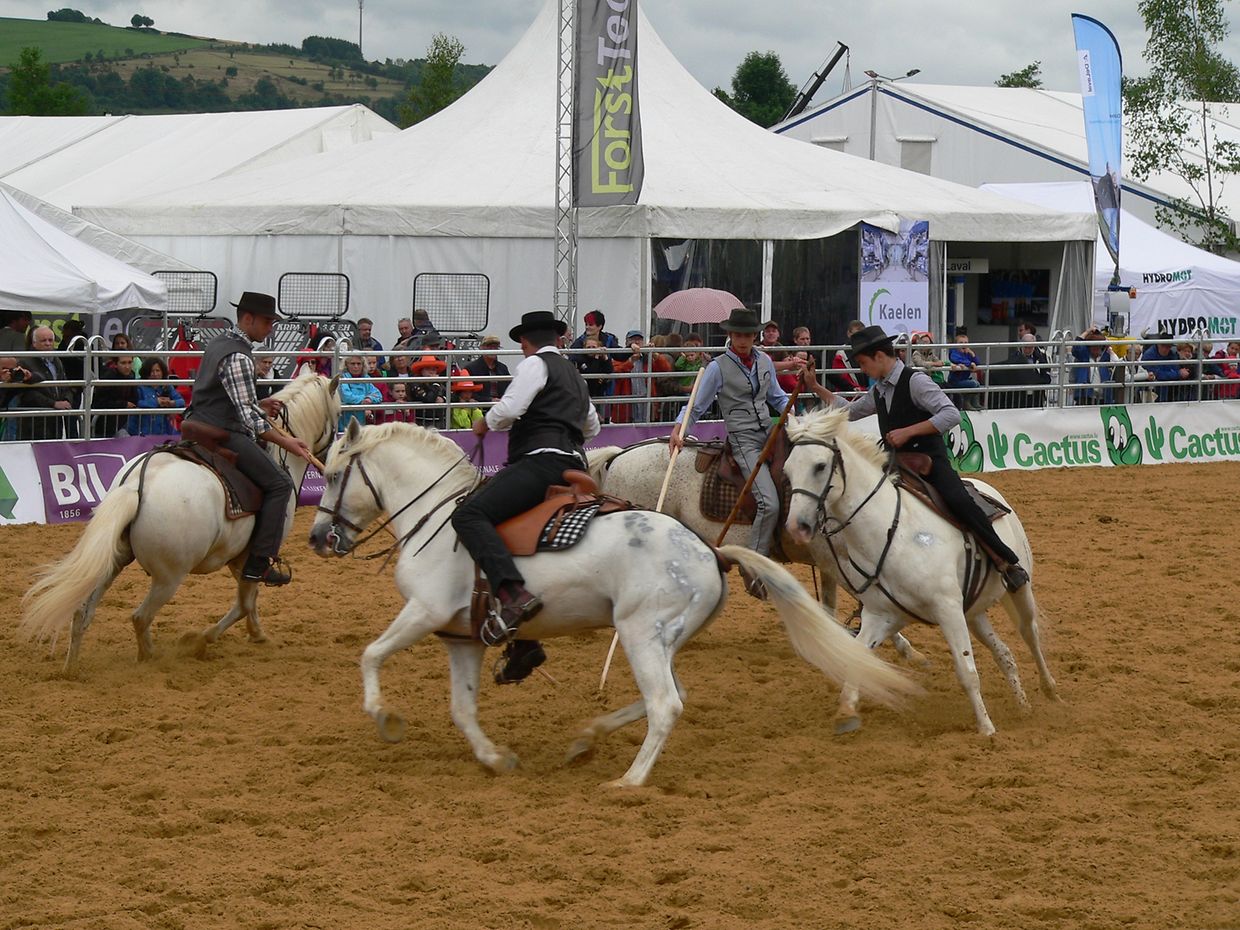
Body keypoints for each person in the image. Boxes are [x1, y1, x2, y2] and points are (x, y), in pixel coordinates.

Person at [801, 325, 1029, 591]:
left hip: (928, 460)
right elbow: (850, 412)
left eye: (863, 363)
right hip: (895, 462)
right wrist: (816, 387)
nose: (862, 369)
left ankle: (1005, 561)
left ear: (879, 357)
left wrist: (909, 431)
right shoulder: (880, 389)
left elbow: (950, 414)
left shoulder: (916, 381)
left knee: (958, 500)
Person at [451, 309, 601, 684]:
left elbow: (510, 410)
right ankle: (523, 643)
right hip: (575, 464)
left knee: (470, 515)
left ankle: (513, 594)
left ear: (524, 342)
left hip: (540, 462)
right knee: (515, 530)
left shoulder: (534, 365)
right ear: (558, 337)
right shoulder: (575, 376)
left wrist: (485, 422)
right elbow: (593, 427)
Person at [181, 291, 313, 587]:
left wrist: (261, 405)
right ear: (248, 318)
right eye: (267, 321)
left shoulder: (217, 343)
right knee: (280, 484)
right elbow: (251, 421)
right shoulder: (239, 356)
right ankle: (259, 562)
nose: (270, 328)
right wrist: (288, 443)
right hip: (223, 432)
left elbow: (227, 396)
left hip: (197, 424)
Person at [672, 308, 804, 597]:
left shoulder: (765, 360)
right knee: (769, 502)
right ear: (730, 335)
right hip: (743, 441)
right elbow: (697, 404)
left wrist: (797, 419)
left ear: (754, 336)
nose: (743, 340)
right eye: (738, 335)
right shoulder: (718, 367)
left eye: (747, 335)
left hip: (771, 434)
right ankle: (752, 567)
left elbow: (778, 397)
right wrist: (680, 428)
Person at [13, 326, 73, 440]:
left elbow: (64, 383)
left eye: (50, 340)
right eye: (43, 340)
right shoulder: (25, 361)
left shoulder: (56, 360)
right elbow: (26, 393)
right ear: (34, 343)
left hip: (55, 419)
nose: (48, 344)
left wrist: (67, 400)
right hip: (34, 421)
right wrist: (53, 403)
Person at [613, 330, 672, 424]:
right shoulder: (620, 357)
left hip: (646, 402)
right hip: (626, 405)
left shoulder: (648, 359)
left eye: (639, 340)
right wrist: (630, 362)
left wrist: (655, 354)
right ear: (626, 343)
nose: (636, 342)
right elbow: (615, 373)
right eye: (632, 339)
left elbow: (666, 369)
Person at [128, 357, 186, 435]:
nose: (155, 374)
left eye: (157, 370)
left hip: (164, 431)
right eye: (152, 371)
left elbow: (181, 401)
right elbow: (136, 403)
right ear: (146, 372)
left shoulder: (167, 386)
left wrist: (170, 403)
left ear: (162, 372)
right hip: (142, 432)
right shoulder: (139, 386)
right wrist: (156, 402)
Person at [92, 354, 139, 437]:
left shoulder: (131, 375)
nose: (127, 366)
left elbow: (134, 398)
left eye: (129, 362)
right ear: (116, 364)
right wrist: (124, 404)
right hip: (105, 426)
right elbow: (99, 403)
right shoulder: (108, 377)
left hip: (123, 423)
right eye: (123, 363)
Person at [1070, 334, 1119, 406]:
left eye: (1099, 347)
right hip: (1085, 396)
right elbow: (1076, 347)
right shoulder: (1084, 357)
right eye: (1093, 347)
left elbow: (1117, 362)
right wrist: (1087, 332)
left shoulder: (1105, 357)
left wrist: (1109, 349)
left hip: (1103, 397)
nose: (1096, 349)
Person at [339, 354, 383, 429]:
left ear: (363, 365)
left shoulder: (366, 378)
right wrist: (364, 399)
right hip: (345, 423)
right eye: (353, 364)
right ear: (346, 365)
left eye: (359, 364)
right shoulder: (342, 377)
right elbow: (347, 397)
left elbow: (378, 395)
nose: (356, 366)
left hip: (362, 423)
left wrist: (370, 399)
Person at [463, 334, 511, 402]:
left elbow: (510, 389)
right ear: (481, 348)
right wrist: (489, 400)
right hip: (480, 407)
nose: (493, 350)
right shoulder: (470, 368)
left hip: (501, 406)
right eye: (489, 347)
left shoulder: (503, 368)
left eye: (495, 347)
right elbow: (466, 393)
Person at [947, 328, 982, 411]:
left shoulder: (968, 353)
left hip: (964, 379)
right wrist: (969, 364)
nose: (963, 345)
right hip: (955, 381)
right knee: (974, 383)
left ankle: (975, 403)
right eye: (961, 343)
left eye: (966, 343)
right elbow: (956, 359)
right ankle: (966, 403)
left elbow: (977, 363)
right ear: (955, 345)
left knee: (977, 384)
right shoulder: (954, 352)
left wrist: (972, 354)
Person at [1139, 333, 1180, 402]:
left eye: (1168, 346)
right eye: (1163, 345)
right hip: (1150, 390)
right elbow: (1158, 375)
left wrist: (1172, 374)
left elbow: (1175, 369)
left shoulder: (1172, 354)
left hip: (1168, 390)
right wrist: (1176, 374)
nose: (1165, 349)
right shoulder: (1149, 355)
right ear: (1158, 344)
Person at [829, 320, 866, 392]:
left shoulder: (866, 351)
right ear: (849, 334)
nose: (859, 338)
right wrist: (853, 388)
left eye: (861, 335)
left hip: (864, 394)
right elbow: (840, 378)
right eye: (856, 334)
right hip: (848, 395)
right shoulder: (841, 353)